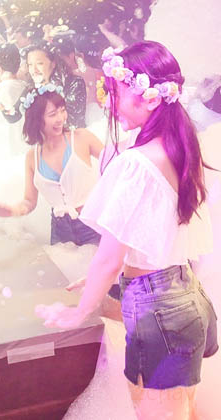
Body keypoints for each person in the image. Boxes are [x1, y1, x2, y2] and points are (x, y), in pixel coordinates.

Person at [37, 41, 217, 419]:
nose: (110, 103)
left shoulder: (136, 162)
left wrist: (79, 312)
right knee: (185, 410)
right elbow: (159, 236)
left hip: (160, 311)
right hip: (183, 294)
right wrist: (97, 279)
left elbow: (109, 256)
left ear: (149, 99)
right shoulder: (180, 147)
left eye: (115, 92)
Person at [0, 84, 103, 246]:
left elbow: (116, 166)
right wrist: (12, 211)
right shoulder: (32, 157)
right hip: (60, 231)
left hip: (92, 222)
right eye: (52, 114)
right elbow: (29, 202)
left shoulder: (82, 138)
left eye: (62, 110)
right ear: (37, 119)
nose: (61, 118)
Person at [25, 42, 87, 128]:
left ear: (53, 63)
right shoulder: (31, 89)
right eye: (30, 65)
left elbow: (73, 122)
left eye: (39, 63)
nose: (34, 70)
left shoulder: (73, 83)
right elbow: (15, 115)